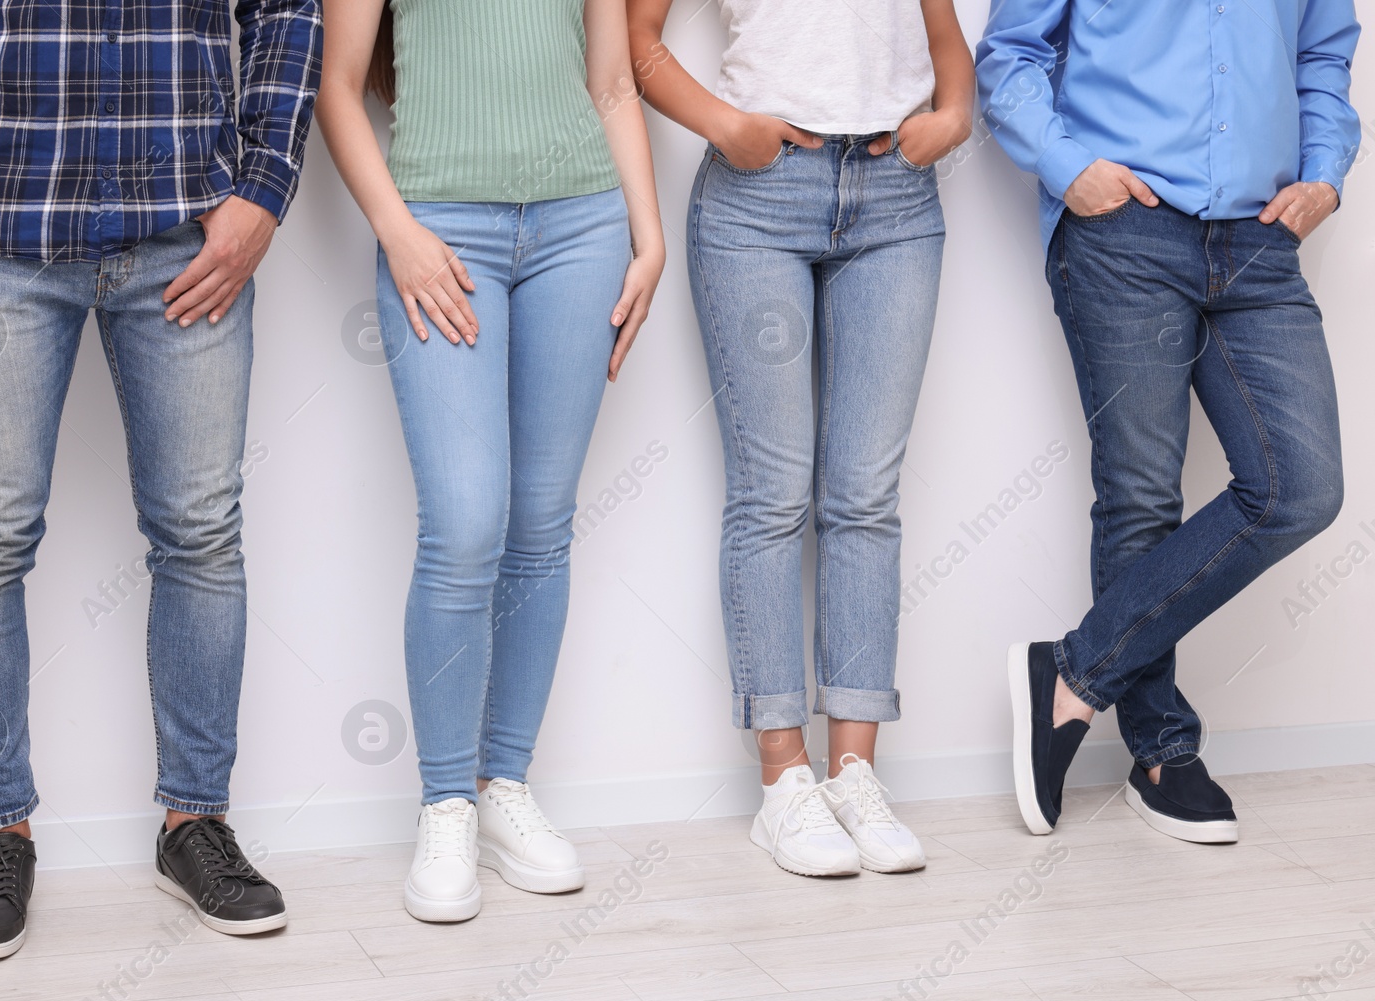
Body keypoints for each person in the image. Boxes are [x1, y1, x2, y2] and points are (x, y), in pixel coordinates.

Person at [0, 0, 323, 959]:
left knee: (200, 531)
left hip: (187, 242)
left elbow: (288, 10)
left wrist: (265, 189)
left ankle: (194, 821)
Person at [978, 0, 1360, 843]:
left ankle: (1073, 672)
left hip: (1261, 237)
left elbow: (1325, 54)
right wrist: (1068, 165)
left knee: (1301, 487)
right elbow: (1008, 56)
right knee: (1141, 494)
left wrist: (1326, 173)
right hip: (1126, 228)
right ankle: (1161, 750)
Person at [317, 0, 665, 921]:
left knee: (542, 520)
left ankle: (503, 783)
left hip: (583, 227)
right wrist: (397, 230)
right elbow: (339, 90)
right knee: (466, 523)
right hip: (440, 228)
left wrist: (648, 229)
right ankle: (444, 803)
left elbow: (613, 79)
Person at [627, 0, 974, 876]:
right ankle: (784, 782)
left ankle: (857, 771)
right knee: (772, 495)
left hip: (896, 197)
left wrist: (953, 119)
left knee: (864, 497)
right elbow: (636, 41)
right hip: (756, 199)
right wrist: (726, 125)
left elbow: (946, 45)